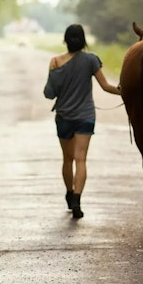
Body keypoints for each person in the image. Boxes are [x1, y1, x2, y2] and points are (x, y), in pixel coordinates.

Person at [44, 24, 121, 219]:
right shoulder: (91, 60)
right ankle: (78, 199)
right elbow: (106, 86)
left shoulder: (55, 62)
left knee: (67, 159)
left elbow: (48, 93)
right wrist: (127, 92)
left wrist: (55, 75)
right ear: (84, 41)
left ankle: (69, 194)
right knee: (81, 159)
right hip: (86, 117)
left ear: (65, 40)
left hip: (64, 117)